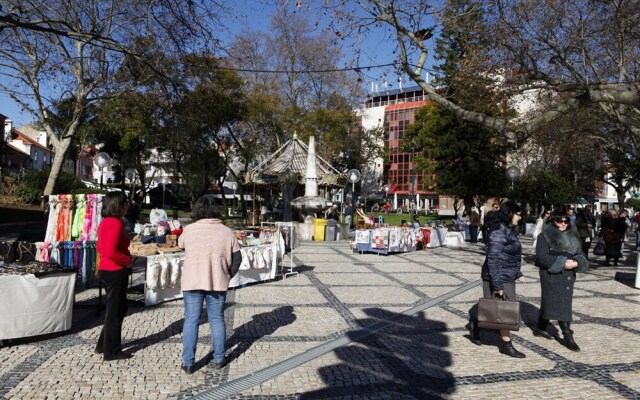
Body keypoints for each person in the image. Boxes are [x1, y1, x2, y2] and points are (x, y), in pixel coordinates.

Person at [178, 195, 242, 374]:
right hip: (217, 282)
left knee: (191, 320)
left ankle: (188, 362)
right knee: (217, 319)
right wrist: (227, 275)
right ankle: (219, 357)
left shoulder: (189, 230)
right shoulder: (226, 232)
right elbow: (237, 258)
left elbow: (180, 244)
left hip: (192, 280)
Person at [468, 201, 525, 358]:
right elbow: (493, 258)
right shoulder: (499, 231)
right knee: (505, 311)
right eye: (518, 214)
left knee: (494, 308)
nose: (520, 218)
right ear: (510, 213)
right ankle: (506, 345)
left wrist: (517, 273)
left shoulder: (508, 229)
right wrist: (498, 285)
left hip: (506, 274)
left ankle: (476, 324)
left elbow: (510, 255)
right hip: (497, 275)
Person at [534, 210, 588, 351]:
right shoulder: (544, 236)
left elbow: (580, 254)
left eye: (566, 221)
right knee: (559, 303)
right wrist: (563, 262)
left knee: (554, 302)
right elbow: (541, 257)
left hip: (569, 275)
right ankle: (567, 335)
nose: (563, 223)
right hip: (551, 274)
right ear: (553, 221)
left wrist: (577, 262)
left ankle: (540, 326)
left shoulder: (573, 236)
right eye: (560, 220)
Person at [95, 191, 133, 361]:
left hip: (108, 269)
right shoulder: (114, 224)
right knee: (115, 312)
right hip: (115, 270)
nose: (128, 205)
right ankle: (112, 351)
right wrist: (127, 260)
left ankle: (103, 345)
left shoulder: (107, 222)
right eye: (125, 202)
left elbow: (101, 247)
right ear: (119, 205)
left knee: (116, 309)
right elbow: (110, 250)